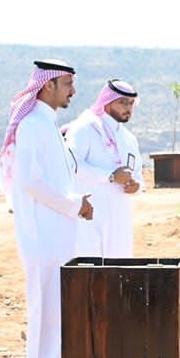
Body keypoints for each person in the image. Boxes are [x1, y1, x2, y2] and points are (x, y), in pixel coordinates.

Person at [0, 61, 93, 358]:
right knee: (43, 308)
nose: (73, 91)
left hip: (56, 234)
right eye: (67, 84)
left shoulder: (47, 124)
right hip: (42, 236)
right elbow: (31, 181)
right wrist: (74, 204)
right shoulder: (33, 125)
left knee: (54, 308)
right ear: (48, 85)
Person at [66, 79, 142, 257]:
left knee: (119, 266)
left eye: (131, 103)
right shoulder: (84, 128)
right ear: (107, 103)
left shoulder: (129, 139)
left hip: (120, 217)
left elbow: (138, 174)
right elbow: (72, 164)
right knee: (89, 266)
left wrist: (137, 186)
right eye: (122, 102)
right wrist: (110, 176)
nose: (128, 108)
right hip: (90, 215)